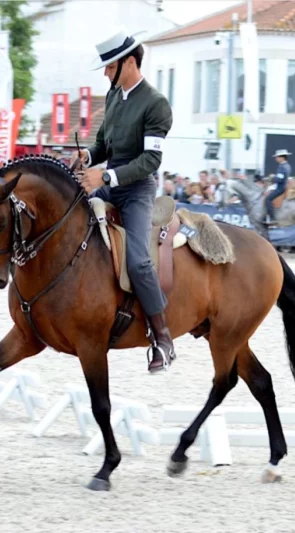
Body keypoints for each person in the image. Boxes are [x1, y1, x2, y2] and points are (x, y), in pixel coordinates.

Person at [71, 27, 175, 373]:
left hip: (137, 190)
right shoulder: (114, 96)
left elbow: (151, 161)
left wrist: (106, 176)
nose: (105, 73)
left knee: (139, 261)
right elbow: (103, 145)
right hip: (109, 183)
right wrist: (87, 156)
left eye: (110, 66)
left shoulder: (156, 104)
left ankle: (162, 337)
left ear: (129, 62)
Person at [265, 149, 291, 224]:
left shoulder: (282, 167)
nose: (276, 159)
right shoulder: (286, 165)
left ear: (282, 158)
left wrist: (272, 178)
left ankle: (273, 218)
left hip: (280, 187)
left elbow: (280, 179)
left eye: (277, 157)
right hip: (281, 186)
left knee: (268, 199)